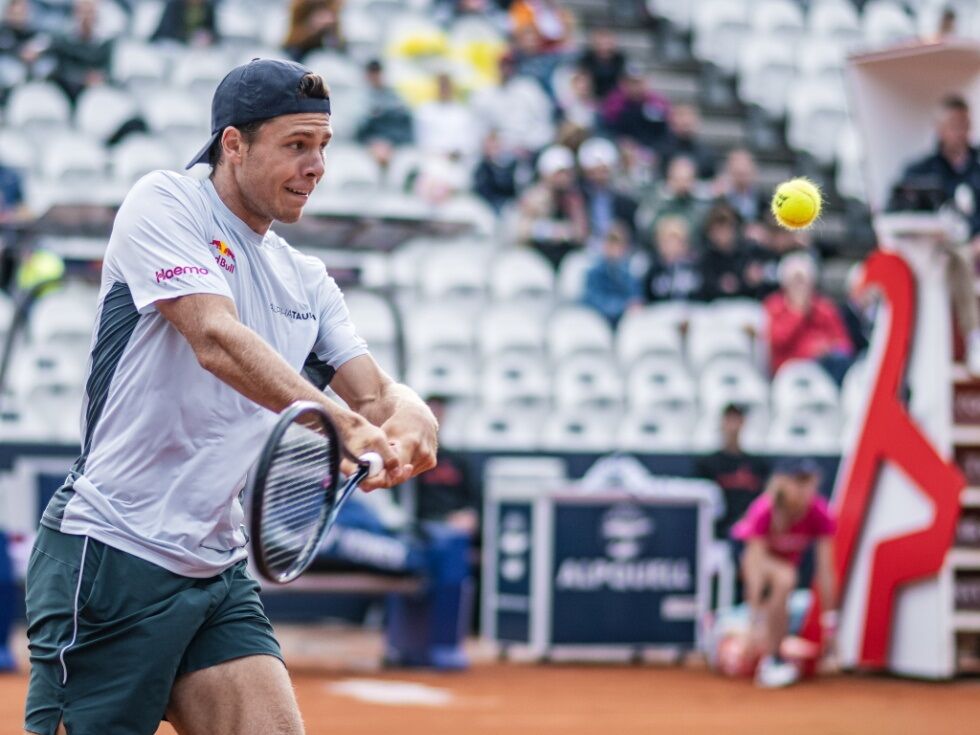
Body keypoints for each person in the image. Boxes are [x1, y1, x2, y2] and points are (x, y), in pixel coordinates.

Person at [22, 58, 439, 735]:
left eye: (324, 147)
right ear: (233, 145)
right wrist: (342, 425)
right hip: (113, 558)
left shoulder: (306, 278)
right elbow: (214, 337)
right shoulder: (166, 201)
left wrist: (411, 410)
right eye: (297, 145)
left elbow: (377, 394)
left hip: (215, 569)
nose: (316, 167)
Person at [892, 94, 980, 374]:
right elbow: (898, 207)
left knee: (963, 255)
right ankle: (972, 337)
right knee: (955, 256)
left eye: (964, 124)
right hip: (940, 250)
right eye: (953, 125)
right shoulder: (921, 170)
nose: (960, 132)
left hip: (974, 245)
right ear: (939, 128)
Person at [732, 458, 837, 688]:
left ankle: (773, 656)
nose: (804, 489)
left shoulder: (820, 513)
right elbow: (754, 569)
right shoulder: (764, 510)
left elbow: (826, 569)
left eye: (809, 482)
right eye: (798, 482)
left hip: (783, 572)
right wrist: (753, 622)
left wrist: (830, 623)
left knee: (784, 584)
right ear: (782, 482)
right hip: (749, 559)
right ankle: (771, 659)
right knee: (784, 578)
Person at [763, 252, 853, 380]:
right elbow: (777, 343)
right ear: (786, 283)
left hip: (826, 365)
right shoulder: (775, 306)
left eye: (804, 281)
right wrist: (798, 313)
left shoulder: (824, 307)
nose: (800, 286)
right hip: (790, 369)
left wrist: (828, 348)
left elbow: (845, 343)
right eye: (796, 281)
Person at [694, 403, 769, 543]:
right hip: (717, 536)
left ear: (743, 423)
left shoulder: (758, 465)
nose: (733, 426)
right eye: (729, 419)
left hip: (749, 536)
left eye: (736, 419)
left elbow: (764, 501)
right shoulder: (707, 464)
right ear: (722, 423)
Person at [515, 144, 588, 267]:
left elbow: (581, 234)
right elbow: (522, 233)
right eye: (559, 173)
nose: (563, 178)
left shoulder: (573, 199)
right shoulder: (534, 197)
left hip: (565, 256)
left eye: (567, 173)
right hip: (537, 256)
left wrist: (566, 232)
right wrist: (550, 231)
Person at [46, 0, 112, 103]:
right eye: (82, 12)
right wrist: (84, 78)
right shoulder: (64, 40)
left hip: (98, 93)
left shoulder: (105, 43)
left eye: (90, 12)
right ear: (75, 14)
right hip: (70, 92)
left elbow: (108, 69)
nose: (86, 17)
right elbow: (62, 70)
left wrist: (98, 78)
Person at [577, 136, 638, 246]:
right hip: (587, 246)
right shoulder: (578, 196)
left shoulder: (624, 198)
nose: (599, 176)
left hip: (619, 247)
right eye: (594, 171)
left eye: (603, 171)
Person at [582, 221, 641, 325]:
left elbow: (636, 300)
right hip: (598, 322)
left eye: (618, 244)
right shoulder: (593, 273)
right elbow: (594, 303)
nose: (614, 249)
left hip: (625, 323)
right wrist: (623, 307)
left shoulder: (630, 274)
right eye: (611, 243)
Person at [642, 215, 701, 302]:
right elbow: (647, 297)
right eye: (666, 241)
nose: (671, 246)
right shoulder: (653, 269)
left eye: (675, 241)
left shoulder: (695, 267)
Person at [698, 202, 748, 301]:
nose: (722, 235)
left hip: (743, 304)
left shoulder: (746, 253)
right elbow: (702, 289)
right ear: (709, 233)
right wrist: (719, 286)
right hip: (713, 307)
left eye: (726, 229)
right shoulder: (705, 257)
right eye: (717, 230)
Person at [657, 103, 716, 180]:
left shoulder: (707, 154)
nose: (686, 121)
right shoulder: (662, 151)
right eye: (681, 116)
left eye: (689, 117)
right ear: (672, 122)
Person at [714, 148, 767, 224]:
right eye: (738, 173)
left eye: (745, 173)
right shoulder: (720, 199)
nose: (742, 178)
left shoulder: (762, 199)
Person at [576, 27, 626, 100]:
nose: (604, 46)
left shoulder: (619, 59)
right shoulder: (587, 59)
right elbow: (581, 80)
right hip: (591, 97)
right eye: (601, 43)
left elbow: (623, 81)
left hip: (614, 98)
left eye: (606, 43)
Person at [150, 0, 219, 45]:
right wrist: (189, 37)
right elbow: (168, 30)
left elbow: (213, 30)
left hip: (198, 48)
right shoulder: (174, 5)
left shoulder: (208, 7)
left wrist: (208, 37)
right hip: (168, 45)